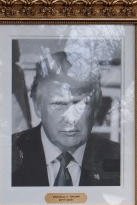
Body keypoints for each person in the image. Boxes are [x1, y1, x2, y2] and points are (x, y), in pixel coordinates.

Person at [11, 50, 120, 187]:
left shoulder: (122, 160)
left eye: (80, 104)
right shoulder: (5, 157)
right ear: (38, 106)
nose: (70, 119)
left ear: (96, 106)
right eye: (58, 104)